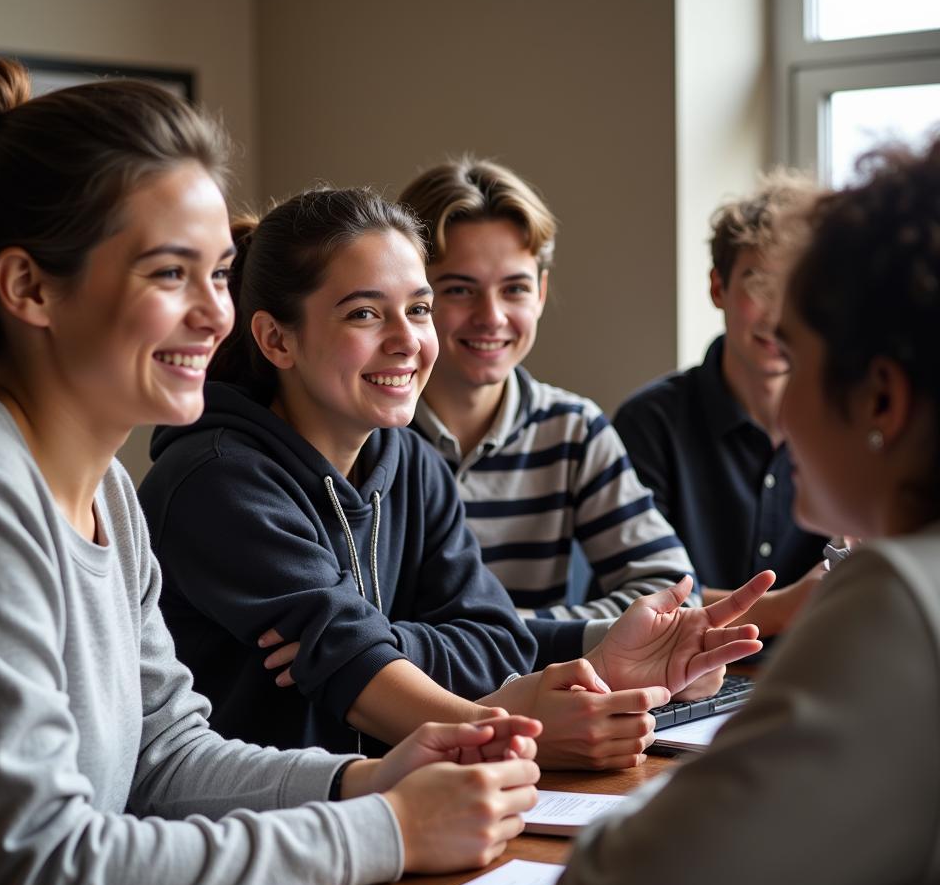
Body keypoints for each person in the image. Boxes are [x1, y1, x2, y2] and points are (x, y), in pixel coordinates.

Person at [0, 57, 546, 885]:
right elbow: (45, 883)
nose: (215, 316)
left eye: (218, 275)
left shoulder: (111, 502)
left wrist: (374, 781)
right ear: (30, 289)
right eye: (171, 274)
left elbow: (166, 761)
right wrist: (389, 830)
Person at [139, 185, 768, 771]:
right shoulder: (215, 479)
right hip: (264, 828)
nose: (407, 341)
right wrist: (524, 734)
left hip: (403, 798)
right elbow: (360, 682)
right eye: (364, 314)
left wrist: (377, 642)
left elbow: (495, 642)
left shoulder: (411, 462)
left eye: (417, 308)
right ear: (277, 339)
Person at [546, 138, 940, 885]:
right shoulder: (652, 419)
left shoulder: (898, 601)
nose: (779, 406)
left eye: (795, 360)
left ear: (883, 400)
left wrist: (724, 765)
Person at [397, 158, 701, 649]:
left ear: (540, 293)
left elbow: (677, 597)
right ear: (413, 298)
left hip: (546, 705)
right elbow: (353, 632)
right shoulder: (365, 432)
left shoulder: (573, 429)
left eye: (514, 288)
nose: (491, 317)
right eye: (459, 289)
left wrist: (496, 628)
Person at [614, 173, 831, 636]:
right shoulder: (650, 423)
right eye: (758, 282)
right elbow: (638, 598)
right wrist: (786, 607)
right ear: (718, 288)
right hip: (683, 687)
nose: (777, 314)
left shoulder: (846, 423)